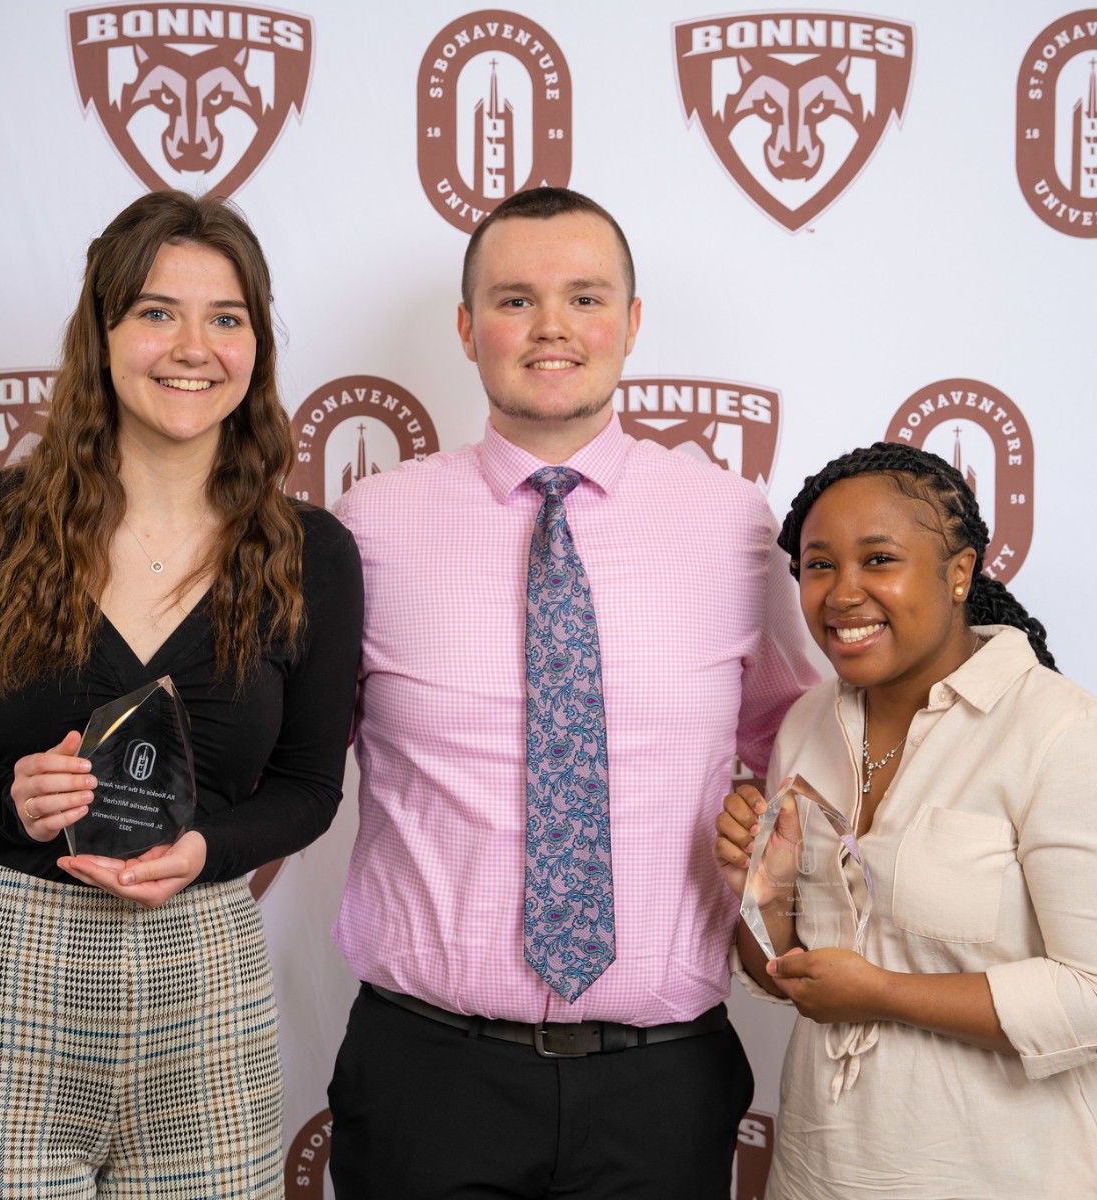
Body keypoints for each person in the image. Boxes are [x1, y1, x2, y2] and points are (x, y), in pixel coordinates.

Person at [326, 187, 818, 1199]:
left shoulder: (733, 523)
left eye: (585, 298)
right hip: (429, 1077)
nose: (551, 325)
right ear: (467, 328)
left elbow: (799, 746)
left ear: (630, 324)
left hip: (662, 1084)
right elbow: (287, 754)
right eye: (515, 299)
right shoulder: (368, 525)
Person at [0, 190, 363, 1196]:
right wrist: (0, 801)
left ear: (256, 347)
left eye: (226, 317)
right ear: (101, 335)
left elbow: (309, 786)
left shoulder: (309, 553)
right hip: (7, 981)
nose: (193, 347)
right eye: (157, 312)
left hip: (207, 983)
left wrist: (205, 851)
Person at [714, 442, 1097, 1198]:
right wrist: (766, 899)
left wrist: (883, 992)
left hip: (998, 1177)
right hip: (818, 1171)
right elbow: (790, 977)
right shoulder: (807, 724)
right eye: (820, 566)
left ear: (960, 572)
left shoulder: (1058, 732)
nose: (842, 593)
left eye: (879, 560)